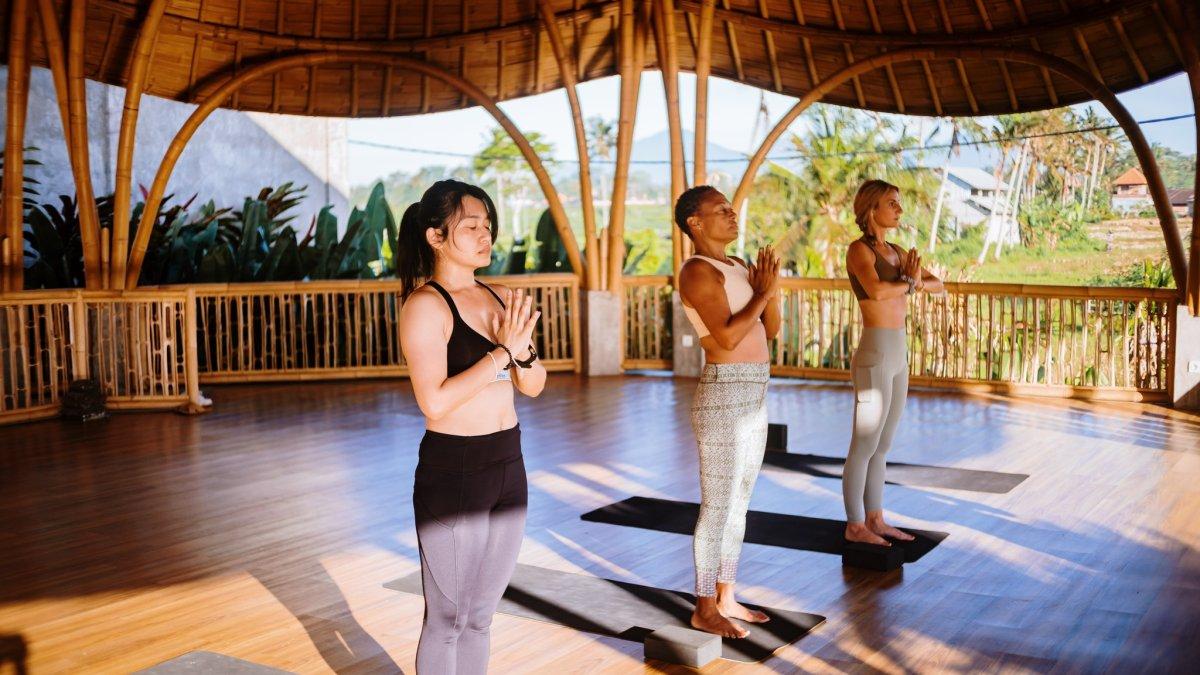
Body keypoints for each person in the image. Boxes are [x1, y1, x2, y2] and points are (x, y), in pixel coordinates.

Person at [397, 180, 546, 674]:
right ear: (436, 236)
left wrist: (521, 351)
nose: (486, 236)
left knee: (481, 616)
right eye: (471, 226)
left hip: (508, 462)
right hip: (454, 469)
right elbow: (434, 402)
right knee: (447, 618)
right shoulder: (425, 307)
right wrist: (501, 353)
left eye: (488, 226)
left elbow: (534, 385)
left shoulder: (499, 297)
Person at [675, 185, 781, 639]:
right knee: (717, 505)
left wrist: (770, 292)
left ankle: (727, 595)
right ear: (695, 223)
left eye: (732, 208)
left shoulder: (737, 267)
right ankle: (703, 606)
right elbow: (726, 338)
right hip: (723, 394)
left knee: (740, 504)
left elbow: (769, 329)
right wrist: (760, 295)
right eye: (721, 210)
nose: (731, 214)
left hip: (756, 390)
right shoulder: (697, 272)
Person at [842, 179, 944, 546]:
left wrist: (914, 279)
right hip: (874, 353)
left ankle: (876, 518)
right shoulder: (859, 251)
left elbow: (937, 285)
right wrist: (912, 283)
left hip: (898, 352)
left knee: (883, 444)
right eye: (892, 203)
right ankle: (855, 525)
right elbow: (877, 290)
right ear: (872, 209)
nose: (899, 209)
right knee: (864, 444)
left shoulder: (898, 251)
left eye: (900, 203)